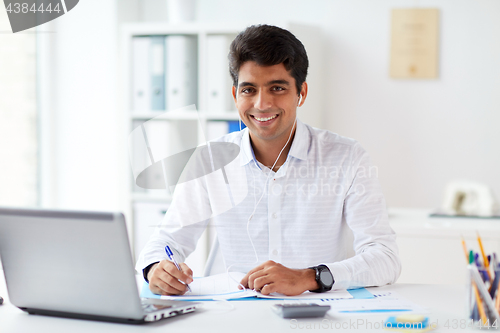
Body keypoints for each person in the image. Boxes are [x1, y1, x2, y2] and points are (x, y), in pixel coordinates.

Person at [136, 24, 401, 296]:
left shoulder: (347, 157)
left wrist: (310, 277)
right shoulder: (210, 160)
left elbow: (385, 258)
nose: (262, 104)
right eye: (249, 90)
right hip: (230, 313)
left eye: (277, 88)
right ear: (235, 95)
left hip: (314, 317)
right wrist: (156, 268)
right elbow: (166, 240)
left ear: (302, 93)